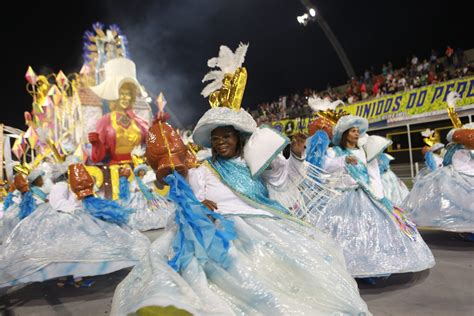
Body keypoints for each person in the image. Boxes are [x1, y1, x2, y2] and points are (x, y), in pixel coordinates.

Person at [111, 43, 370, 315]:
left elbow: (285, 181)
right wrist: (200, 206)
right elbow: (190, 196)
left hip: (262, 224)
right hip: (218, 229)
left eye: (226, 136)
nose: (220, 142)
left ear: (239, 138)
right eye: (216, 138)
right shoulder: (203, 167)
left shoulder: (256, 163)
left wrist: (296, 156)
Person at [311, 114, 434, 278]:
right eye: (353, 131)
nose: (356, 134)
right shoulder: (334, 152)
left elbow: (374, 175)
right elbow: (325, 167)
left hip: (365, 196)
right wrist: (343, 161)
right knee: (347, 233)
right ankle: (347, 266)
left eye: (357, 131)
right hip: (342, 198)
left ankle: (372, 267)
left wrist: (380, 197)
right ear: (345, 133)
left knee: (371, 232)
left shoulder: (366, 152)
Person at [0, 159, 149, 289]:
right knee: (74, 250)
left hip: (67, 216)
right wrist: (74, 210)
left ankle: (66, 279)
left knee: (71, 251)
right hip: (64, 219)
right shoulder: (61, 186)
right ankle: (74, 279)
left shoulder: (63, 187)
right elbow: (58, 202)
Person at [88, 58, 149, 165]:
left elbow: (150, 144)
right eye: (122, 93)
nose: (125, 97)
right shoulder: (105, 121)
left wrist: (159, 128)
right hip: (115, 171)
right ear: (115, 96)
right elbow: (97, 158)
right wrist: (96, 144)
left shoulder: (139, 122)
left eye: (128, 94)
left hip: (140, 169)